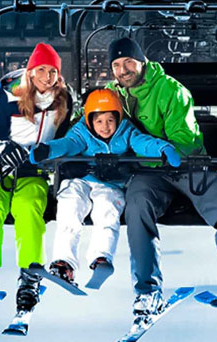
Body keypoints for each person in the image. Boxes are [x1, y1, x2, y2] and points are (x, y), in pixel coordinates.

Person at [105, 37, 217, 324]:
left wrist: (142, 144)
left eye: (129, 63)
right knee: (136, 207)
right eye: (117, 65)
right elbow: (88, 125)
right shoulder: (110, 95)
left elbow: (183, 141)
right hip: (148, 173)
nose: (123, 70)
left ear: (141, 62)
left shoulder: (171, 90)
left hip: (188, 166)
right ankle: (147, 290)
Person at [28, 88, 180, 285]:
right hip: (80, 179)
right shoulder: (81, 132)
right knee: (70, 208)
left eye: (110, 120)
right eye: (99, 121)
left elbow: (142, 142)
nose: (105, 127)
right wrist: (48, 150)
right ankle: (64, 263)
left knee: (107, 210)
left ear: (118, 118)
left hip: (110, 184)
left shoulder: (126, 131)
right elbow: (68, 144)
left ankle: (101, 257)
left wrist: (162, 148)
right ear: (90, 120)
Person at [0, 42, 73, 322]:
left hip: (33, 171)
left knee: (29, 209)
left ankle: (29, 277)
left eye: (52, 72)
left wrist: (50, 152)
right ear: (30, 71)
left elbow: (67, 137)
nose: (47, 78)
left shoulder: (63, 99)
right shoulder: (11, 96)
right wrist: (2, 147)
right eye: (41, 70)